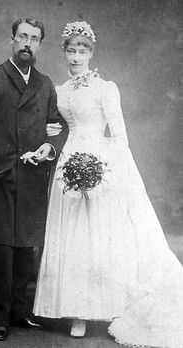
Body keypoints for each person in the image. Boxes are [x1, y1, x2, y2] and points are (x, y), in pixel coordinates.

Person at [33, 21, 183, 347]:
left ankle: (102, 307)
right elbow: (54, 128)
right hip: (66, 164)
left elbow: (119, 136)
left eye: (82, 50)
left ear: (91, 53)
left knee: (97, 235)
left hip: (99, 162)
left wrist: (106, 173)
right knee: (71, 235)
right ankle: (73, 311)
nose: (76, 57)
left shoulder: (106, 88)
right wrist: (49, 138)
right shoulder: (57, 90)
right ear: (64, 52)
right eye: (71, 50)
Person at [0, 18, 67, 341]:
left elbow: (59, 127)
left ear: (39, 45)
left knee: (27, 248)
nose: (27, 43)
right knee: (4, 249)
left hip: (34, 174)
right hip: (1, 176)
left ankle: (20, 312)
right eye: (22, 37)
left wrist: (49, 147)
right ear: (12, 40)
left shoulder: (45, 84)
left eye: (34, 39)